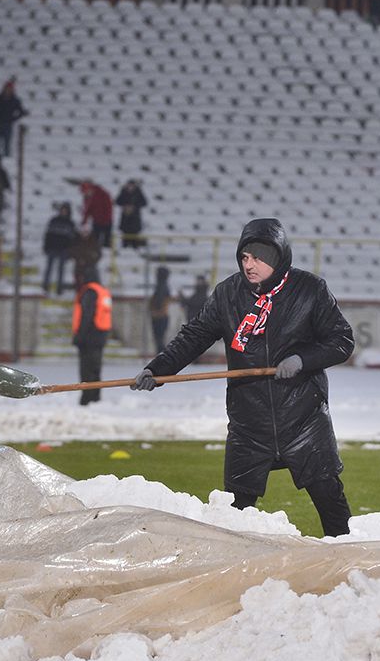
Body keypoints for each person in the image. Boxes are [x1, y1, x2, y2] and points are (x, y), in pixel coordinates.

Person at [131, 218, 356, 537]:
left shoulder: (310, 290)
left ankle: (349, 562)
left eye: (259, 258)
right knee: (233, 513)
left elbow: (342, 341)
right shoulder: (228, 293)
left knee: (330, 501)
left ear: (278, 258)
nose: (250, 265)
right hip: (249, 422)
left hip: (303, 418)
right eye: (245, 258)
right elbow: (194, 336)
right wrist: (158, 369)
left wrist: (303, 359)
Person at [73, 265, 111, 406]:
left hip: (88, 337)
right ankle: (95, 396)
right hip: (101, 335)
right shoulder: (102, 291)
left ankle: (86, 398)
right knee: (96, 368)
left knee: (86, 369)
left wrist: (79, 336)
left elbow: (86, 315)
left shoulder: (89, 291)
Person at [42, 202, 77, 295]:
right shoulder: (54, 220)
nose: (64, 212)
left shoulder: (70, 224)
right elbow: (48, 235)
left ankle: (59, 288)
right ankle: (45, 286)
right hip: (52, 247)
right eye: (62, 210)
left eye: (65, 210)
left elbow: (72, 239)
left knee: (61, 270)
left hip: (63, 249)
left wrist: (70, 251)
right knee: (49, 268)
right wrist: (46, 246)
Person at [0, 80, 27, 158]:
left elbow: (21, 111)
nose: (8, 90)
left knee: (7, 142)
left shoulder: (15, 100)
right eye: (6, 88)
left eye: (10, 89)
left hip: (8, 124)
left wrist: (12, 119)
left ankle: (6, 157)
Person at [80, 179, 113, 252]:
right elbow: (87, 210)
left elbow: (109, 208)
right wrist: (84, 220)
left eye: (86, 192)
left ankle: (107, 252)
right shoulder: (87, 197)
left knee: (106, 239)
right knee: (95, 238)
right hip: (96, 220)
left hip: (106, 220)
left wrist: (107, 219)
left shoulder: (103, 194)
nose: (86, 194)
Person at [148, 265, 172, 352]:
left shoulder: (161, 287)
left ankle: (161, 356)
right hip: (161, 315)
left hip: (159, 315)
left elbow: (160, 301)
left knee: (159, 339)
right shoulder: (163, 286)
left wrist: (154, 309)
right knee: (159, 339)